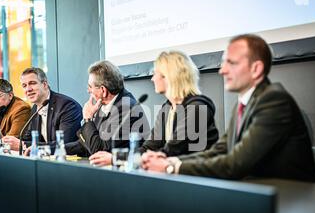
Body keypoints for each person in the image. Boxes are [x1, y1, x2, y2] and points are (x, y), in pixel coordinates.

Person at [143, 34, 315, 182]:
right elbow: (219, 150)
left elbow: (235, 163)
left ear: (256, 69)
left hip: (293, 199)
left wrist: (171, 167)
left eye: (231, 63)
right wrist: (171, 161)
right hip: (261, 194)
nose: (222, 70)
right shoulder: (243, 103)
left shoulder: (274, 101)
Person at [89, 51, 219, 166]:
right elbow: (150, 147)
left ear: (169, 76)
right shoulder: (167, 108)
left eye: (156, 73)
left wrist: (117, 159)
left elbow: (171, 150)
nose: (152, 78)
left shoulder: (197, 108)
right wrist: (116, 158)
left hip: (196, 181)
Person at [65, 60, 149, 158]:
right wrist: (55, 149)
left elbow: (99, 151)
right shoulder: (104, 105)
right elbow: (86, 144)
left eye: (90, 87)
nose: (88, 90)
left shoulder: (126, 108)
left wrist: (87, 119)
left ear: (103, 90)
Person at [2, 67, 82, 152]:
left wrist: (23, 145)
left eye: (32, 83)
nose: (28, 89)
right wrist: (10, 141)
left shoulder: (67, 106)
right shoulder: (35, 108)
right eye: (24, 86)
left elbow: (63, 144)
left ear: (44, 84)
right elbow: (28, 137)